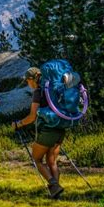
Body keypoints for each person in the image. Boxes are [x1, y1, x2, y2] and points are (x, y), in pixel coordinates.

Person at [12, 67, 65, 199]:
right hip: (60, 127)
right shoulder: (53, 88)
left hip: (47, 129)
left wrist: (18, 124)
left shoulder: (38, 92)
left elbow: (32, 116)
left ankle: (53, 184)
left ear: (32, 79)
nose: (27, 84)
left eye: (27, 81)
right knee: (51, 161)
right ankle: (56, 192)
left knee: (36, 159)